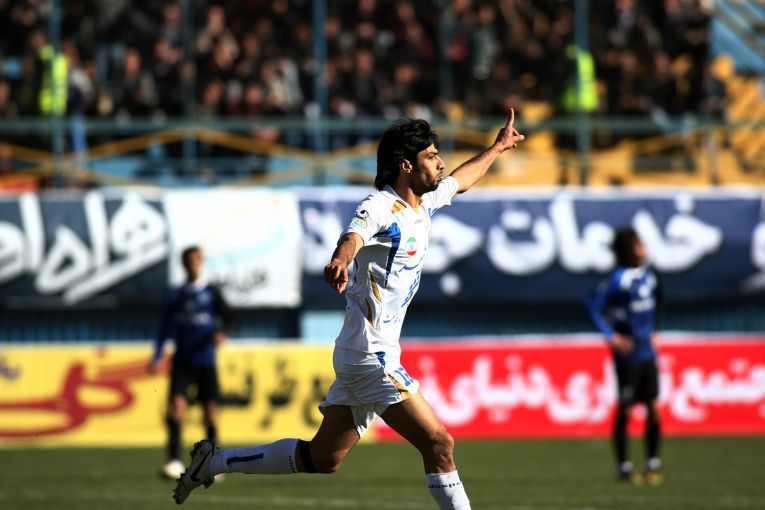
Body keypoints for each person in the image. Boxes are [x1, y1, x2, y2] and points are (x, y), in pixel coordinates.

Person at [173, 109, 525, 508]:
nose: (440, 162)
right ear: (406, 166)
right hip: (371, 355)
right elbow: (353, 236)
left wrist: (498, 147)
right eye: (431, 156)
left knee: (324, 458)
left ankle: (215, 461)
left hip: (363, 352)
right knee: (439, 443)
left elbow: (461, 180)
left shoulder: (424, 202)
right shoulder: (381, 206)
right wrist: (341, 260)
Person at [585, 227, 663, 485]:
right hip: (628, 355)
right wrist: (611, 336)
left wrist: (655, 329)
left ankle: (652, 463)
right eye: (639, 245)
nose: (644, 249)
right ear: (629, 250)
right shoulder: (618, 279)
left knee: (654, 408)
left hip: (648, 352)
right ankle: (624, 466)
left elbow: (659, 302)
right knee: (626, 409)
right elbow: (592, 306)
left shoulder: (649, 276)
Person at [150, 245, 233, 480]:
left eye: (197, 260)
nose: (193, 264)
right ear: (184, 264)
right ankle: (173, 460)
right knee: (177, 409)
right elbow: (164, 327)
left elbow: (230, 317)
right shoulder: (175, 295)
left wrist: (223, 333)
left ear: (201, 262)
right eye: (189, 261)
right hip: (183, 362)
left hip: (206, 360)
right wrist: (157, 355)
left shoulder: (212, 292)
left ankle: (213, 462)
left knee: (210, 413)